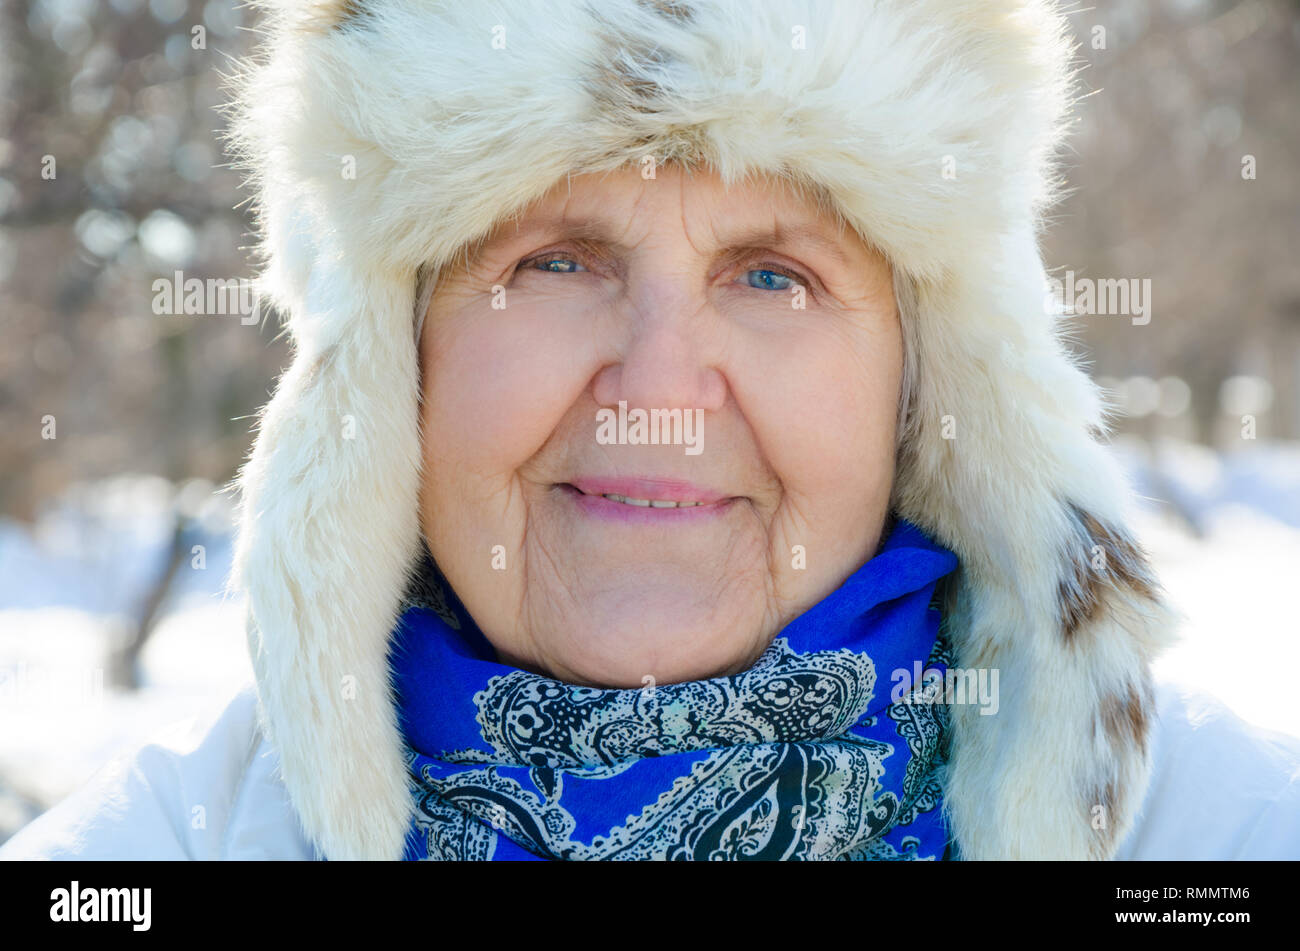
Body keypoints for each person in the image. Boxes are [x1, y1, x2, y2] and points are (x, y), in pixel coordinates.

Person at [4, 0, 1298, 861]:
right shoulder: (142, 858)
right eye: (557, 262)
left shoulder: (1224, 842)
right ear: (391, 365)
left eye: (773, 275)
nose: (659, 389)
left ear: (925, 385)